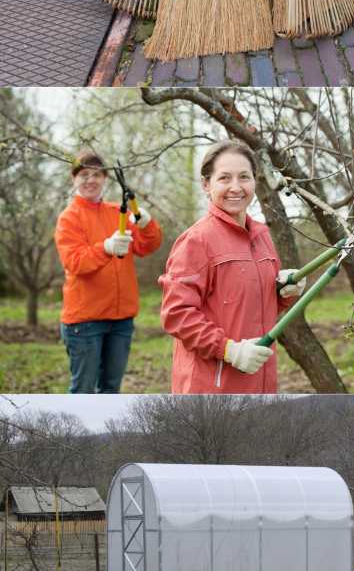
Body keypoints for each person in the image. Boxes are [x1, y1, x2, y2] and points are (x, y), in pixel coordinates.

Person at [159, 140, 306, 394]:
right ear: (207, 185)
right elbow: (177, 315)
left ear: (254, 182)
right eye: (224, 178)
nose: (235, 187)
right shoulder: (196, 241)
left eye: (244, 177)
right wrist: (228, 350)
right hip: (211, 388)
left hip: (259, 380)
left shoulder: (262, 237)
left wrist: (284, 292)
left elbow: (253, 303)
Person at [55, 150, 162, 394]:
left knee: (111, 389)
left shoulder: (118, 212)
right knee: (83, 390)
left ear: (105, 178)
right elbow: (74, 262)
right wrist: (105, 247)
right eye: (83, 174)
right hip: (85, 322)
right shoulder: (68, 218)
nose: (90, 180)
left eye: (96, 174)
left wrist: (147, 224)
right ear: (74, 179)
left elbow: (148, 246)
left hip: (121, 320)